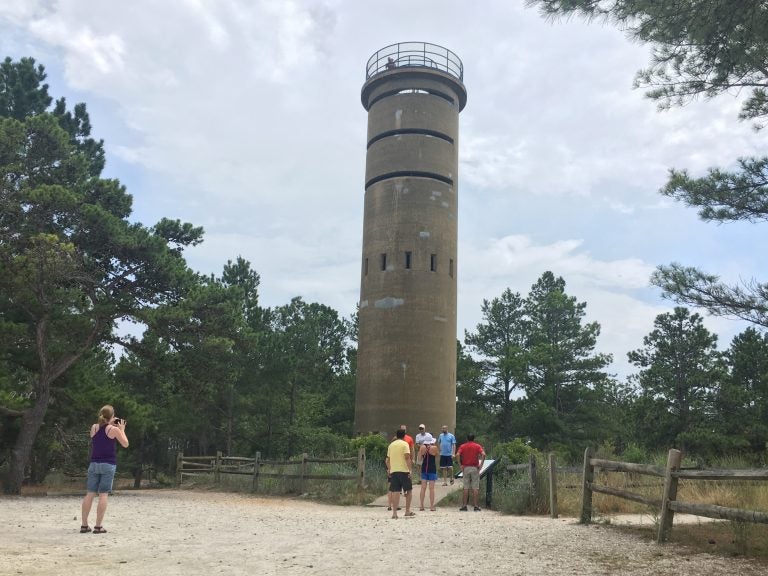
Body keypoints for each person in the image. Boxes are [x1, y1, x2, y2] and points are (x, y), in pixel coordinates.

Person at [80, 405, 129, 533]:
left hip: (94, 464)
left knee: (90, 493)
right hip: (108, 464)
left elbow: (98, 437)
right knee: (103, 495)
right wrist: (122, 429)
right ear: (112, 416)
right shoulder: (113, 430)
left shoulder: (94, 427)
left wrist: (109, 423)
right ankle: (98, 526)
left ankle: (84, 525)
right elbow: (125, 444)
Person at [386, 428, 415, 518]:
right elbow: (407, 457)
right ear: (404, 436)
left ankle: (394, 513)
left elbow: (387, 460)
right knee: (409, 490)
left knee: (395, 491)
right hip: (404, 471)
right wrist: (410, 470)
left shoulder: (391, 445)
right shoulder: (405, 444)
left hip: (394, 471)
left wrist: (389, 469)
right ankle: (407, 511)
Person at [456, 433, 485, 512]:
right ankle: (476, 506)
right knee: (475, 487)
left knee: (466, 487)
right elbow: (483, 454)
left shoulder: (463, 446)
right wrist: (481, 465)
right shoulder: (477, 446)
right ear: (474, 438)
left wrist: (460, 465)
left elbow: (457, 454)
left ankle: (464, 506)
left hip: (465, 468)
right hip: (475, 468)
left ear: (467, 438)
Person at [418, 433, 439, 511]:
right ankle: (431, 506)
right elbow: (437, 455)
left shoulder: (422, 447)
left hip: (424, 468)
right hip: (432, 469)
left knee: (423, 488)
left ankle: (421, 506)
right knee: (431, 488)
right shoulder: (434, 447)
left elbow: (420, 459)